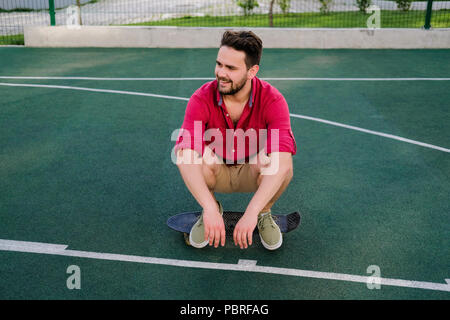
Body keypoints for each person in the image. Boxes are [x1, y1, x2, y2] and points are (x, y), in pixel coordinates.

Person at [173, 30, 297, 250]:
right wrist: (209, 208)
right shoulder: (201, 98)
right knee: (189, 155)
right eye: (219, 64)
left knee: (280, 164)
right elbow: (185, 155)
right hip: (216, 170)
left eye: (231, 68)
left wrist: (251, 213)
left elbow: (283, 161)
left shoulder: (273, 99)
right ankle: (211, 209)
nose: (221, 73)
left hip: (251, 170)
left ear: (252, 71)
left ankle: (264, 213)